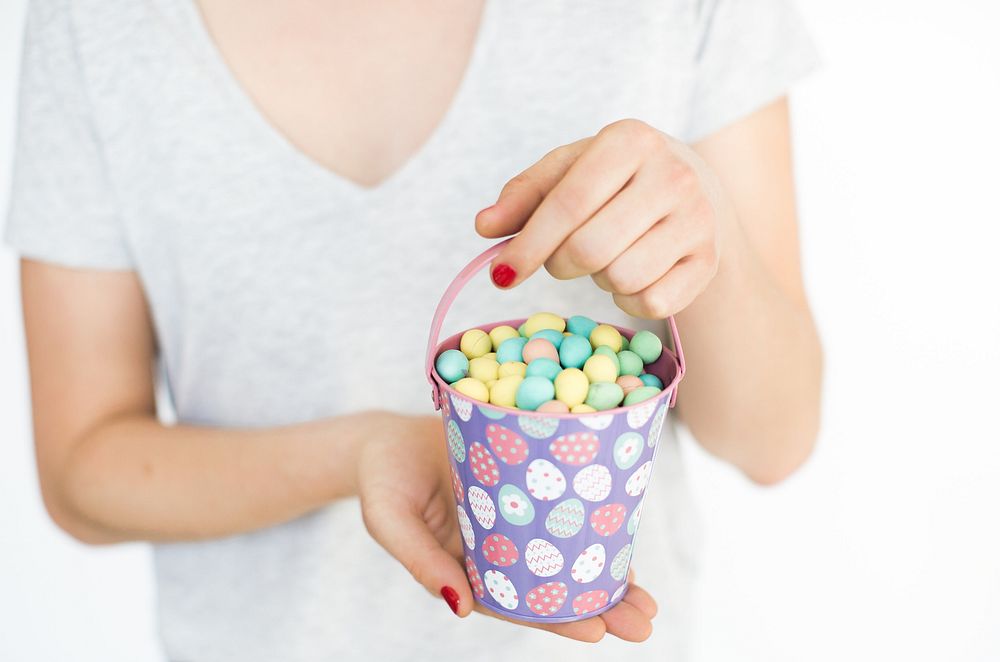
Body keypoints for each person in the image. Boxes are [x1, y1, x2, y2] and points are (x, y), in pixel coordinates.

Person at [4, 0, 824, 659]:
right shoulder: (95, 24)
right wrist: (360, 452)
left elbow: (774, 439)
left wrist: (703, 221)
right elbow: (82, 474)